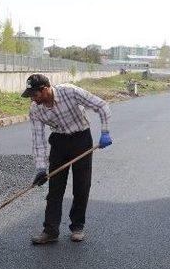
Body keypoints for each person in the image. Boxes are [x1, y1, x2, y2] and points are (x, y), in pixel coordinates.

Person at [23, 74, 112, 245]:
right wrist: (41, 168)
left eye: (35, 94)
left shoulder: (69, 92)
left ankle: (77, 227)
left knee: (82, 185)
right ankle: (50, 231)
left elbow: (102, 106)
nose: (33, 99)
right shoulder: (35, 109)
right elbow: (38, 140)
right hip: (59, 142)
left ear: (45, 89)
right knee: (55, 189)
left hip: (81, 139)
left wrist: (105, 131)